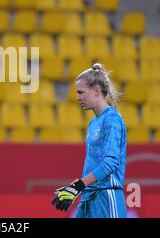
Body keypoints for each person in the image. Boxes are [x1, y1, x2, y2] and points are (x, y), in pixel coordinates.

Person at [51, 63, 127, 218]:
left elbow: (110, 163)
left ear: (97, 91)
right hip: (89, 197)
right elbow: (93, 163)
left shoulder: (112, 120)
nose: (78, 97)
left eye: (81, 92)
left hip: (107, 198)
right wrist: (75, 188)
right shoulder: (93, 122)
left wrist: (79, 185)